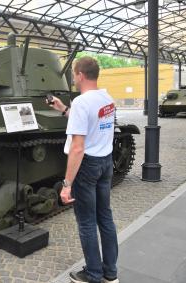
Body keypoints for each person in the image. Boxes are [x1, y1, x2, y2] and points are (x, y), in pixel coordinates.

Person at [46, 56, 119, 283]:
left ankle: (93, 274)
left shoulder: (82, 102)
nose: (73, 78)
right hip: (105, 162)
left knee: (86, 222)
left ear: (80, 75)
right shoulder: (107, 98)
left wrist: (67, 185)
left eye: (74, 74)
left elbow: (77, 148)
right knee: (105, 217)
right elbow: (92, 121)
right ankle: (110, 273)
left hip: (87, 166)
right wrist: (63, 109)